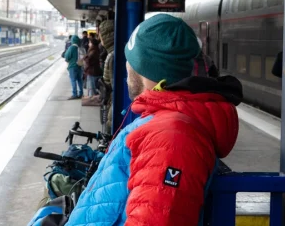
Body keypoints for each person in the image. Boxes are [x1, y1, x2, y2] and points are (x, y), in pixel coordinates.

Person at [66, 14, 243, 226]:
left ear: (145, 69)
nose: (126, 69)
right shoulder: (164, 124)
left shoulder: (171, 137)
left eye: (129, 61)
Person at [98, 20, 115, 133]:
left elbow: (114, 86)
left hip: (113, 105)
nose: (100, 39)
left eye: (101, 36)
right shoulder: (112, 53)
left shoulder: (112, 56)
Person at [63, 35, 84, 100]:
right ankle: (81, 94)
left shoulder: (71, 48)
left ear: (72, 40)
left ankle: (74, 94)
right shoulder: (80, 48)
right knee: (80, 80)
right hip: (80, 66)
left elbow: (67, 57)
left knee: (73, 80)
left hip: (72, 67)